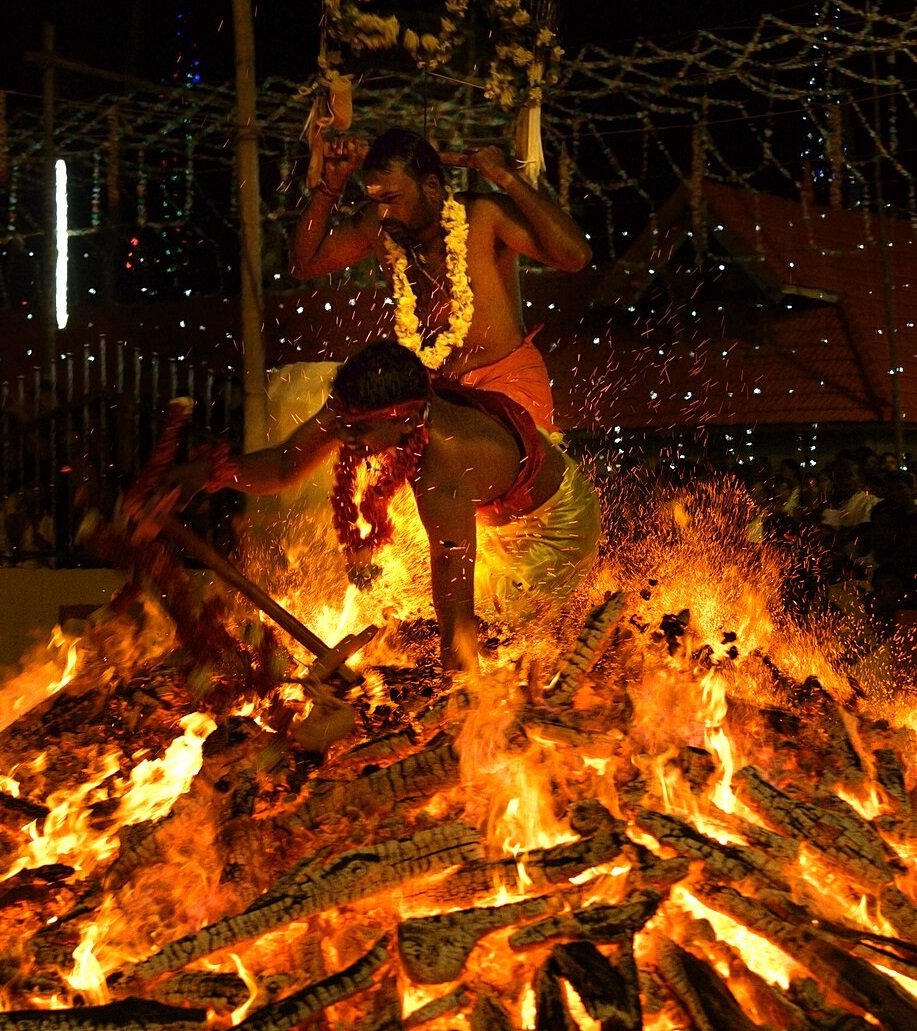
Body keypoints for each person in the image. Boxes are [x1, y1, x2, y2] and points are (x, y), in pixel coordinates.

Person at [163, 340, 601, 673]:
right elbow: (283, 466)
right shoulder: (362, 411)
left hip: (550, 532)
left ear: (407, 422)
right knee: (389, 606)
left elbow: (455, 599)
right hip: (483, 508)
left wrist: (461, 696)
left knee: (472, 636)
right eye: (342, 424)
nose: (345, 439)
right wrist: (208, 475)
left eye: (357, 431)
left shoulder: (443, 467)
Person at [290, 127, 593, 430]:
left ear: (431, 187)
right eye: (376, 200)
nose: (382, 212)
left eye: (392, 198)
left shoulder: (483, 215)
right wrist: (330, 187)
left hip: (507, 384)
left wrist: (506, 177)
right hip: (433, 391)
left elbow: (574, 257)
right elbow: (305, 265)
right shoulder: (378, 227)